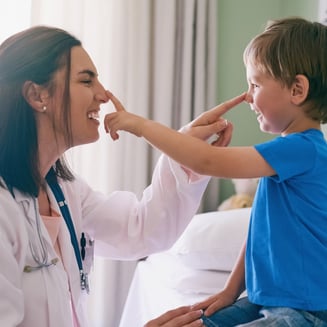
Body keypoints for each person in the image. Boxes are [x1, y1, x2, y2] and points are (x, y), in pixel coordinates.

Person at [0, 25, 242, 327]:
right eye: (87, 80)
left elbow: (142, 228)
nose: (103, 95)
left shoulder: (64, 192)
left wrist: (186, 151)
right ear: (37, 95)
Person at [105, 17, 327, 326]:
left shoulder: (302, 150)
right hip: (266, 299)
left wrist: (141, 126)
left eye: (256, 84)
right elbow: (259, 235)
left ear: (297, 89)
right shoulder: (288, 152)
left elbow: (206, 161)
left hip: (304, 312)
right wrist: (229, 291)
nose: (248, 96)